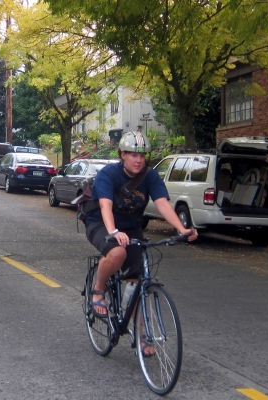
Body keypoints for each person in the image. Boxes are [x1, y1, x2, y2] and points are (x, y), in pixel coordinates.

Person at [84, 131, 198, 351]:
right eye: (133, 155)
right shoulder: (109, 174)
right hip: (101, 222)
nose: (138, 160)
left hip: (131, 226)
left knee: (137, 279)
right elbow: (105, 206)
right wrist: (113, 231)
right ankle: (98, 291)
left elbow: (163, 203)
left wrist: (182, 229)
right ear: (122, 155)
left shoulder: (150, 176)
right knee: (118, 253)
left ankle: (141, 331)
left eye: (142, 155)